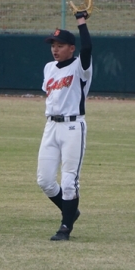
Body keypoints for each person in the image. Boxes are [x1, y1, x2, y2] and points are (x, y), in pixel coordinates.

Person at [37, 13, 92, 241]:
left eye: (60, 45)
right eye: (53, 45)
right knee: (45, 181)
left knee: (69, 181)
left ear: (71, 48)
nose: (55, 49)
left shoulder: (81, 67)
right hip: (51, 126)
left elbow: (87, 48)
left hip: (73, 127)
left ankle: (65, 227)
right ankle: (71, 211)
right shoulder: (49, 68)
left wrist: (81, 23)